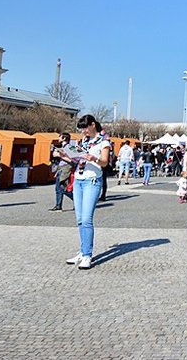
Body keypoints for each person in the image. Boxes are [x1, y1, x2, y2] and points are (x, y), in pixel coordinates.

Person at [60, 114, 111, 270]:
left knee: (87, 219)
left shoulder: (104, 142)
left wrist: (92, 158)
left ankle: (87, 255)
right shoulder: (83, 142)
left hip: (92, 181)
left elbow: (104, 162)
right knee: (80, 219)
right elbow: (77, 160)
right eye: (81, 128)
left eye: (85, 128)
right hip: (79, 180)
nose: (83, 131)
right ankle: (82, 252)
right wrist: (65, 156)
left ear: (93, 125)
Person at [49, 135, 74, 211]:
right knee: (58, 188)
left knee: (63, 188)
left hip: (66, 168)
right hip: (60, 168)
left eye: (60, 137)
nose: (58, 138)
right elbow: (54, 154)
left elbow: (71, 159)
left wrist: (61, 155)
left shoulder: (70, 147)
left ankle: (78, 201)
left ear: (64, 138)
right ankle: (58, 205)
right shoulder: (61, 148)